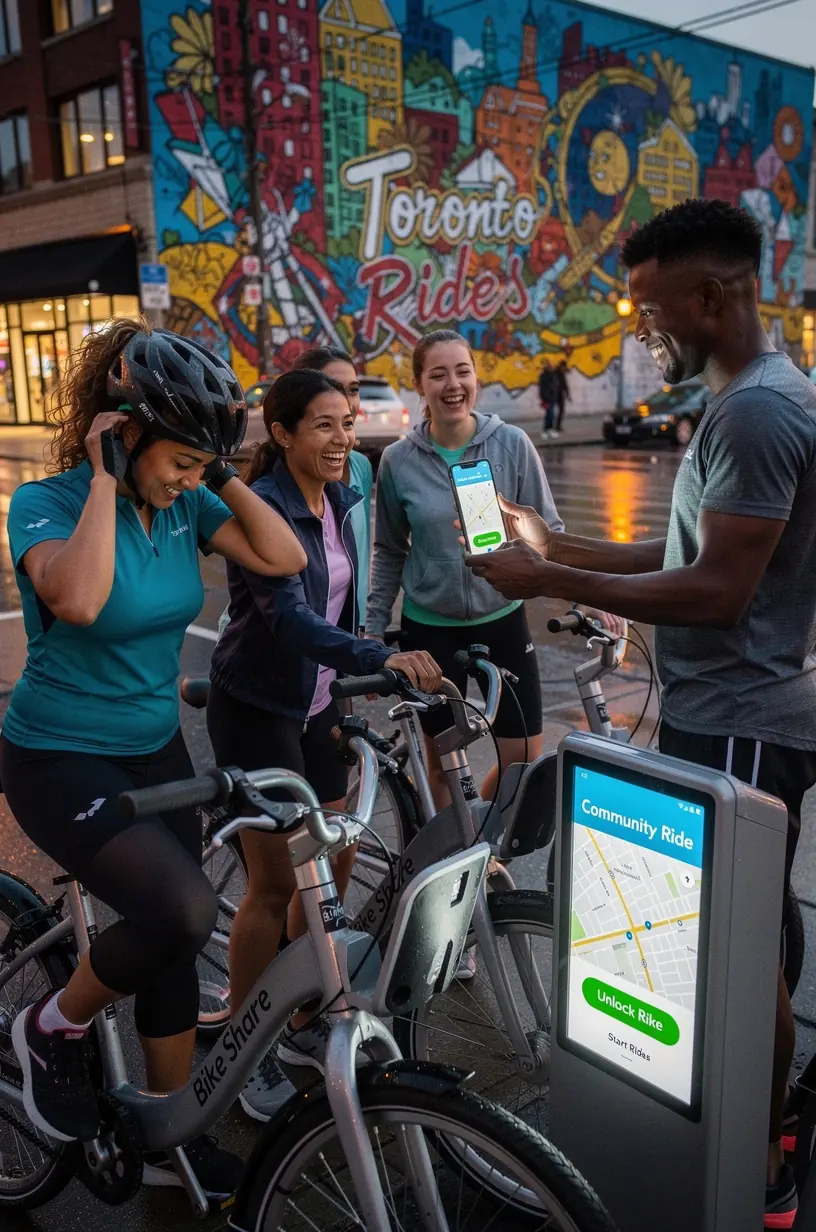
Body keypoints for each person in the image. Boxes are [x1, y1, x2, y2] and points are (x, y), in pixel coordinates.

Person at [465, 199, 816, 1231]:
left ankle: (761, 1168)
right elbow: (683, 560)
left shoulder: (756, 411)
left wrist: (540, 573)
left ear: (713, 297)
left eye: (654, 312)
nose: (642, 333)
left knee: (748, 967)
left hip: (746, 716)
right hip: (729, 707)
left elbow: (717, 594)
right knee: (760, 946)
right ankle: (754, 1132)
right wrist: (555, 549)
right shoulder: (746, 396)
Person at [3, 323, 306, 1199]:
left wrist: (209, 469)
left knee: (174, 945)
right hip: (59, 755)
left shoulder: (187, 500)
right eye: (175, 459)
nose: (185, 480)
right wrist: (104, 476)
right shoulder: (49, 501)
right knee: (179, 910)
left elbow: (281, 556)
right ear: (123, 431)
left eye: (196, 467)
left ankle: (168, 1130)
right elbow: (82, 596)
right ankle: (52, 1027)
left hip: (155, 747)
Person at [206, 368, 441, 1120]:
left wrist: (363, 666)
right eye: (325, 425)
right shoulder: (265, 509)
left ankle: (302, 1020)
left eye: (348, 422)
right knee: (274, 888)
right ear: (281, 434)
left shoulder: (340, 495)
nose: (344, 438)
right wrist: (375, 659)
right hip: (258, 707)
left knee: (331, 869)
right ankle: (244, 1052)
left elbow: (345, 600)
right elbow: (293, 622)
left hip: (315, 707)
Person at [367, 328, 622, 812]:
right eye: (437, 374)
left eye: (462, 371)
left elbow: (551, 532)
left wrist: (583, 595)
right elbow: (389, 551)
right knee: (443, 764)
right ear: (420, 385)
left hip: (502, 620)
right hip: (430, 632)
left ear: (476, 378)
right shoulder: (398, 461)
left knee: (524, 759)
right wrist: (373, 631)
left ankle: (482, 838)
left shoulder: (511, 444)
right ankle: (450, 860)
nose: (453, 384)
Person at [292, 347, 372, 632]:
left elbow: (359, 562)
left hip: (346, 639)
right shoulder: (279, 482)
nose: (347, 403)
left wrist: (362, 626)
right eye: (334, 389)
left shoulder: (360, 467)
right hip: (289, 645)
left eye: (353, 390)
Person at [538, 360, 557, 439]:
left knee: (551, 415)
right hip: (547, 398)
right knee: (549, 414)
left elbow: (555, 386)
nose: (551, 367)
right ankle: (546, 430)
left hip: (552, 398)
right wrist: (544, 399)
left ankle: (550, 429)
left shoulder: (553, 375)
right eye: (549, 366)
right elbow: (542, 388)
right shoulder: (544, 376)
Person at [555, 360, 571, 434]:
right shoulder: (555, 373)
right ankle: (551, 427)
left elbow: (565, 385)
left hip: (560, 394)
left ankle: (558, 426)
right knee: (551, 412)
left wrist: (568, 395)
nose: (564, 369)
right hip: (554, 394)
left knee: (561, 411)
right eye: (563, 367)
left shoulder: (562, 374)